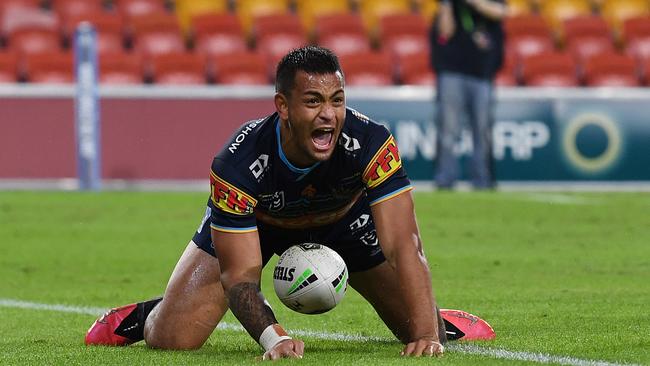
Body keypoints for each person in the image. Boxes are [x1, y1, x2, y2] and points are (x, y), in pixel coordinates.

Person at [85, 46, 494, 360]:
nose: (329, 115)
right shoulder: (237, 164)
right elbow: (239, 276)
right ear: (283, 106)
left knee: (425, 332)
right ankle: (151, 313)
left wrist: (425, 334)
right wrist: (273, 336)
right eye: (313, 102)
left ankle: (443, 320)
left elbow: (405, 245)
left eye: (337, 100)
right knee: (173, 339)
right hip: (260, 226)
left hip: (343, 221)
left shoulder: (370, 143)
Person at [430, 0, 508, 189]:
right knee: (448, 129)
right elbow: (444, 31)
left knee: (482, 130)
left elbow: (501, 11)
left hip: (482, 72)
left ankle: (483, 179)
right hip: (452, 71)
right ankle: (445, 178)